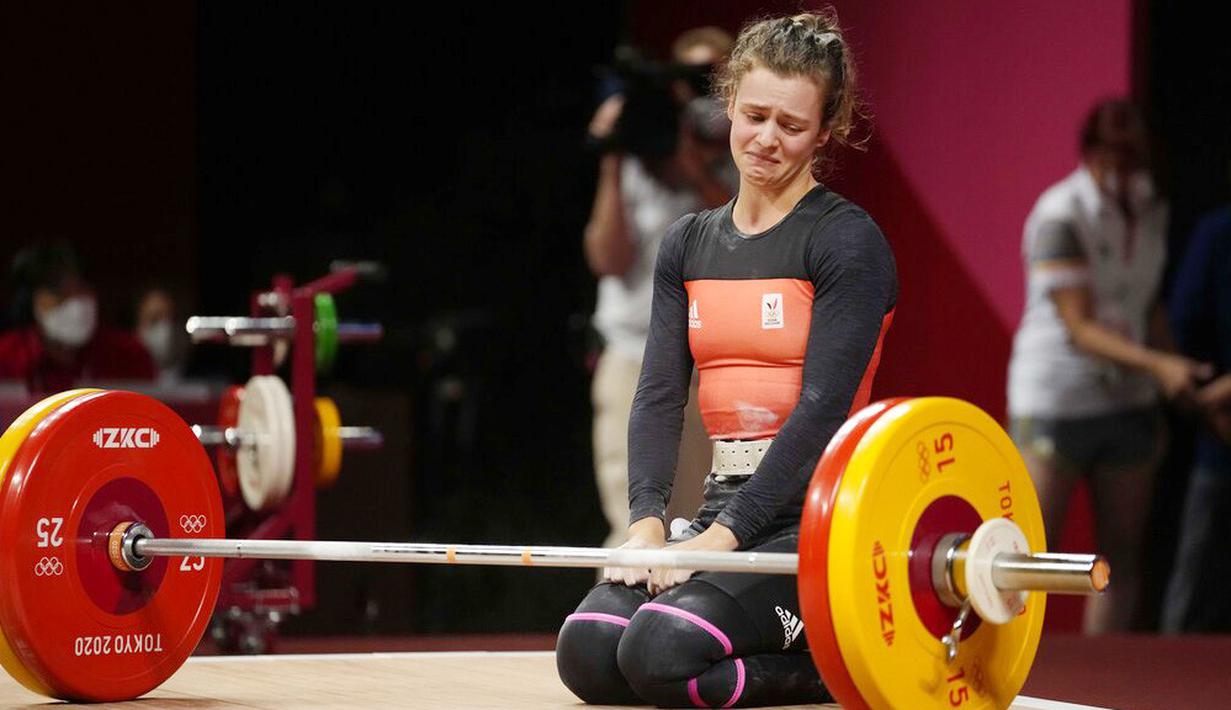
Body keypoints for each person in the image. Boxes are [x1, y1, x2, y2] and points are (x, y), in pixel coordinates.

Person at [558, 10, 897, 706]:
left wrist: (723, 538)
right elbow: (656, 394)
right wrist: (649, 525)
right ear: (730, 101)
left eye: (792, 126)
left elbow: (822, 408)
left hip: (810, 522)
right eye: (754, 115)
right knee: (588, 651)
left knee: (659, 650)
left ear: (827, 128)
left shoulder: (845, 242)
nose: (766, 140)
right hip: (721, 505)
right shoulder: (687, 242)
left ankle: (839, 669)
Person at [1006, 99, 1211, 634]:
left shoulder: (1151, 206)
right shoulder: (1060, 214)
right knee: (1031, 552)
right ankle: (1022, 670)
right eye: (1115, 150)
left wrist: (1176, 370)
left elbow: (1144, 303)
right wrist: (1161, 367)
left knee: (1119, 555)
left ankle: (1106, 671)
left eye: (1136, 149)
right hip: (1056, 398)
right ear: (1092, 152)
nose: (1127, 161)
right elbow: (1080, 326)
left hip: (1128, 402)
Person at [585, 27, 736, 549]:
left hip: (710, 366)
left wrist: (693, 169)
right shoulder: (637, 159)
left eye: (711, 80)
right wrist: (613, 153)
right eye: (689, 81)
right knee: (633, 524)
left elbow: (743, 241)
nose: (700, 97)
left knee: (700, 527)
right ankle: (616, 628)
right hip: (632, 357)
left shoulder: (745, 161)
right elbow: (606, 258)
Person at [1161, 195, 1231, 633]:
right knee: (1194, 587)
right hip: (1220, 433)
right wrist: (1208, 402)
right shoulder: (1217, 233)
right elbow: (1182, 328)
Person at [0, 241, 155, 391]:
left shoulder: (130, 355)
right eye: (59, 292)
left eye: (82, 288)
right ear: (30, 300)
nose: (75, 302)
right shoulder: (5, 356)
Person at [132, 285, 190, 385]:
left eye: (160, 301)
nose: (156, 306)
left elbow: (170, 358)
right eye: (152, 301)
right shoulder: (131, 335)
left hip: (172, 383)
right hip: (139, 383)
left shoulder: (179, 334)